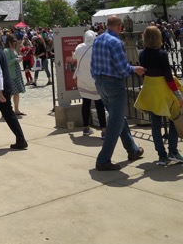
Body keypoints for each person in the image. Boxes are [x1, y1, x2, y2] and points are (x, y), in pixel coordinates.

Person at [90, 15, 146, 171]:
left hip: (100, 82)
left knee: (118, 117)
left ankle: (133, 150)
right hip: (114, 84)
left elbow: (93, 64)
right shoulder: (115, 42)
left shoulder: (98, 39)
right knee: (115, 123)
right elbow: (123, 69)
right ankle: (103, 159)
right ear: (120, 26)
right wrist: (136, 69)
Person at [135, 26, 183, 165]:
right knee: (174, 119)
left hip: (150, 91)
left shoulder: (142, 54)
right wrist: (178, 95)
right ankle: (173, 151)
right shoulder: (161, 54)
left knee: (155, 125)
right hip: (164, 91)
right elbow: (168, 77)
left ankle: (161, 156)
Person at [72, 30, 107, 136]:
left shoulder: (79, 47)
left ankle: (86, 128)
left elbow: (74, 58)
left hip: (83, 80)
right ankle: (104, 130)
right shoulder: (98, 47)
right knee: (99, 104)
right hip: (95, 80)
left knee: (86, 104)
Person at [4, 34, 26, 116]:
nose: (15, 43)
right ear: (9, 41)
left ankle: (16, 110)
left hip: (16, 73)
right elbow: (6, 63)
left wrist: (19, 59)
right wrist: (15, 59)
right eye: (13, 41)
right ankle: (6, 110)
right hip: (11, 74)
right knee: (10, 93)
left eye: (15, 41)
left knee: (16, 93)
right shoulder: (6, 50)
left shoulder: (13, 49)